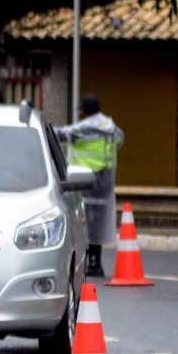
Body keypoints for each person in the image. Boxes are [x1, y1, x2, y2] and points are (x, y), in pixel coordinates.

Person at [56, 94, 125, 277]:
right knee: (98, 224)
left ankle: (86, 263)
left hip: (84, 181)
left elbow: (61, 134)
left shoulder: (84, 128)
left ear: (84, 110)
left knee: (84, 223)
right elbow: (121, 140)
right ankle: (96, 263)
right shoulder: (112, 128)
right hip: (105, 183)